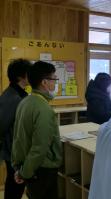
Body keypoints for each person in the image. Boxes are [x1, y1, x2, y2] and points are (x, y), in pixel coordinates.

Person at [12, 61, 63, 199]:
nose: (56, 83)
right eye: (54, 79)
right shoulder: (43, 108)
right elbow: (39, 148)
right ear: (44, 82)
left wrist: (19, 169)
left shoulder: (25, 102)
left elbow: (18, 139)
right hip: (41, 170)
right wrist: (24, 173)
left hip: (30, 167)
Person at [0, 59, 31, 199]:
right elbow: (2, 126)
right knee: (15, 186)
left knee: (16, 185)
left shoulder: (18, 94)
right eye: (28, 73)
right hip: (13, 151)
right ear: (20, 77)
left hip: (15, 150)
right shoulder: (12, 98)